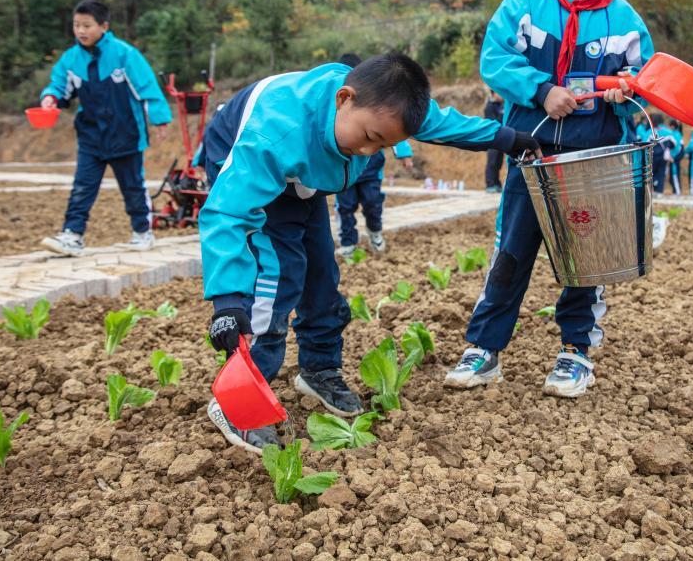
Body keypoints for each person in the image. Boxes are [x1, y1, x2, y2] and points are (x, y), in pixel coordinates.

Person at [200, 53, 539, 452]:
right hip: (243, 161)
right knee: (279, 273)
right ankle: (239, 400)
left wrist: (507, 139)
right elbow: (228, 212)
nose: (368, 151)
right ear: (344, 99)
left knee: (322, 274)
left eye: (384, 145)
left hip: (303, 177)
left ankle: (319, 369)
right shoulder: (275, 133)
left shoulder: (385, 107)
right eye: (370, 138)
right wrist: (226, 301)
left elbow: (446, 124)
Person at [444, 0, 654, 399]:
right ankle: (484, 348)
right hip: (530, 154)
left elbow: (643, 84)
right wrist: (542, 91)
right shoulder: (524, 8)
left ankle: (576, 351)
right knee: (510, 253)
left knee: (587, 257)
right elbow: (493, 61)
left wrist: (627, 92)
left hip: (592, 159)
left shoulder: (625, 21)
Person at [39, 0, 171, 257]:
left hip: (127, 135)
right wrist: (50, 98)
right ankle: (72, 235)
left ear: (104, 26)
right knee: (82, 187)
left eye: (87, 25)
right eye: (76, 25)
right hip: (91, 136)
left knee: (133, 186)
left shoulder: (124, 54)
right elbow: (58, 86)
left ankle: (142, 232)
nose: (81, 31)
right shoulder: (70, 59)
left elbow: (147, 88)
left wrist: (159, 118)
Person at [331, 54, 414, 254]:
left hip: (371, 170)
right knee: (345, 207)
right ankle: (348, 242)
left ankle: (375, 232)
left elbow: (391, 127)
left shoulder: (375, 98)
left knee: (373, 203)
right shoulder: (338, 102)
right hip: (344, 173)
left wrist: (404, 154)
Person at [484, 89, 506, 193]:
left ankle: (497, 183)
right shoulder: (490, 106)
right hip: (492, 138)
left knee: (498, 162)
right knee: (492, 162)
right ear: (493, 94)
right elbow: (491, 122)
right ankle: (490, 184)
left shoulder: (504, 105)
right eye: (498, 92)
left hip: (502, 138)